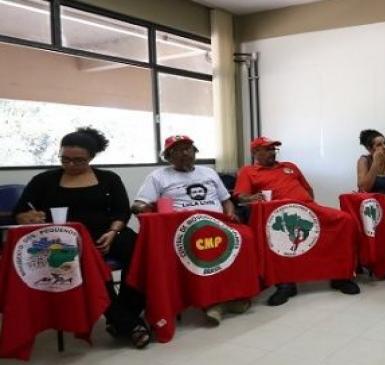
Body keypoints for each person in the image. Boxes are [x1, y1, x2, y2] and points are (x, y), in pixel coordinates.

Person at [13, 127, 150, 349]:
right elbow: (19, 212)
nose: (71, 165)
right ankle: (128, 324)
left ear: (91, 158)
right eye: (64, 159)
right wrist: (27, 217)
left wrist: (113, 232)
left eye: (79, 161)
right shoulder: (44, 180)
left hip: (108, 233)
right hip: (64, 240)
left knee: (140, 256)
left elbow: (121, 212)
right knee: (90, 265)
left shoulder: (109, 179)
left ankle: (124, 315)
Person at [132, 135, 248, 325]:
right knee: (205, 244)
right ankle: (213, 302)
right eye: (178, 150)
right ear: (168, 157)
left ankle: (235, 294)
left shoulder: (209, 172)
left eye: (189, 148)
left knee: (246, 237)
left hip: (218, 222)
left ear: (195, 153)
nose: (185, 153)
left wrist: (230, 213)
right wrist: (141, 209)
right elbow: (140, 203)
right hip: (185, 227)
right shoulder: (158, 176)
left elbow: (226, 200)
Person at [235, 136, 361, 306]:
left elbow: (308, 189)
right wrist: (252, 198)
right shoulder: (248, 172)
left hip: (308, 208)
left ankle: (340, 277)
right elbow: (241, 197)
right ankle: (286, 284)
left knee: (345, 220)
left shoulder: (289, 167)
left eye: (274, 149)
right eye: (268, 149)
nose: (273, 152)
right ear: (255, 152)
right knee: (276, 235)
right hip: (281, 215)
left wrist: (308, 207)